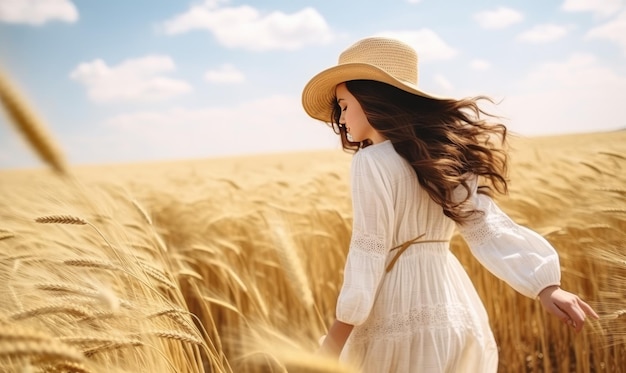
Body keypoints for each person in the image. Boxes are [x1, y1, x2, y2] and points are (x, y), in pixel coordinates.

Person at [301, 37, 598, 372]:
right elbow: (485, 224)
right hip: (454, 307)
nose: (339, 118)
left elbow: (368, 250)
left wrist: (334, 341)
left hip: (397, 309)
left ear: (372, 99)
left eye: (343, 104)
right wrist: (545, 286)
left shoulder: (369, 162)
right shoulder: (442, 155)